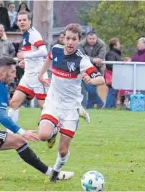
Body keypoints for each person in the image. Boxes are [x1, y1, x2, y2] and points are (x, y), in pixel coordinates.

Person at [38, 23, 105, 182]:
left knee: (62, 150)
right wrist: (41, 75)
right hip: (53, 103)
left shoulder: (82, 60)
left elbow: (101, 79)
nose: (70, 42)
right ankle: (53, 131)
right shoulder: (56, 50)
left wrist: (91, 80)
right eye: (67, 38)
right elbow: (48, 59)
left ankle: (55, 171)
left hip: (70, 108)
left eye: (74, 39)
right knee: (43, 135)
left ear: (78, 40)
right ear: (63, 38)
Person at [8, 11, 90, 125]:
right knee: (13, 103)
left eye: (24, 20)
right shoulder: (26, 34)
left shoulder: (33, 34)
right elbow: (34, 54)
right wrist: (26, 61)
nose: (21, 22)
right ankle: (11, 135)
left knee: (46, 109)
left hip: (38, 76)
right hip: (28, 76)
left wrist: (25, 55)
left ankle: (75, 110)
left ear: (30, 21)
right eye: (19, 20)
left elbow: (43, 51)